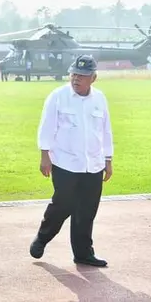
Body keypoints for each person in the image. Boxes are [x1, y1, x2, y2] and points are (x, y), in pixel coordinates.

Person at [30, 55, 113, 267]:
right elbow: (47, 127)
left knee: (86, 211)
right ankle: (43, 237)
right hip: (65, 162)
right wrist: (44, 155)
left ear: (93, 78)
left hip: (93, 164)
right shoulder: (58, 96)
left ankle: (83, 253)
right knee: (63, 205)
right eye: (74, 74)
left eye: (82, 76)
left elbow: (105, 131)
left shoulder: (100, 98)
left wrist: (108, 159)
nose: (77, 79)